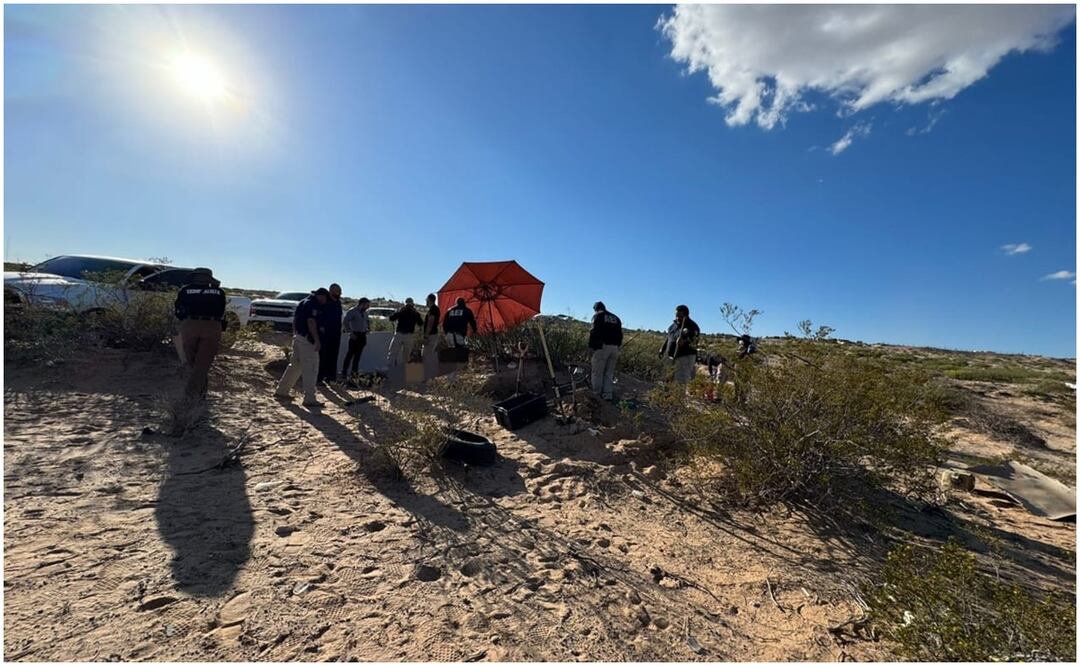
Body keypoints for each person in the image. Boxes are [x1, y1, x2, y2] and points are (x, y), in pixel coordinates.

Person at [174, 267, 227, 399]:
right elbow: (221, 310)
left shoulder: (185, 290)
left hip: (190, 325)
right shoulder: (219, 292)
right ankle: (198, 394)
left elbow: (178, 310)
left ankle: (191, 396)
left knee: (191, 362)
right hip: (212, 326)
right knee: (203, 363)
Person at [275, 288, 329, 407]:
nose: (325, 301)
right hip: (307, 341)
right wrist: (316, 340)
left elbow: (295, 320)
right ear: (322, 296)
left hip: (299, 337)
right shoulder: (313, 304)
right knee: (311, 369)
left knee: (295, 366)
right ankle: (309, 398)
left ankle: (282, 390)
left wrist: (295, 334)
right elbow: (311, 322)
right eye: (325, 298)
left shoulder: (303, 302)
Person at [588, 301, 623, 400]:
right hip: (615, 348)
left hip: (602, 347)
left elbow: (593, 332)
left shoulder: (597, 316)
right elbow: (620, 335)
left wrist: (591, 347)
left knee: (597, 372)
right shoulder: (616, 318)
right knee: (609, 373)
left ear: (596, 309)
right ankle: (607, 394)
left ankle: (597, 394)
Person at [659, 304, 701, 384]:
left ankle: (678, 396)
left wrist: (684, 342)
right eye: (676, 315)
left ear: (686, 315)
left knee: (680, 380)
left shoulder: (693, 326)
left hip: (685, 357)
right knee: (667, 378)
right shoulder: (673, 326)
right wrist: (662, 349)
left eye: (680, 316)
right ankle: (667, 396)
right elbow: (669, 338)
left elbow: (694, 341)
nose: (677, 318)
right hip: (671, 356)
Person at [386, 298, 424, 371]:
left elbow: (391, 318)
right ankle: (404, 370)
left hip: (399, 334)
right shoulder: (415, 313)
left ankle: (390, 369)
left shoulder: (401, 311)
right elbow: (420, 323)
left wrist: (399, 311)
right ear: (412, 304)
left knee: (393, 353)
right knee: (406, 355)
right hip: (409, 335)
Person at [317, 283, 344, 384]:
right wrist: (321, 327)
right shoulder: (325, 302)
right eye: (338, 291)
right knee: (323, 355)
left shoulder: (338, 303)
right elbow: (319, 316)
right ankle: (319, 378)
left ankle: (331, 378)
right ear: (331, 291)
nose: (340, 293)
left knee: (333, 356)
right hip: (325, 334)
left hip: (336, 333)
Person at [341, 297, 371, 382]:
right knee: (350, 355)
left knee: (358, 356)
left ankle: (354, 374)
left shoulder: (365, 313)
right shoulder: (352, 311)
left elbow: (367, 321)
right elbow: (345, 322)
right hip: (355, 335)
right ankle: (344, 373)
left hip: (362, 335)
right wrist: (350, 332)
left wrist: (368, 328)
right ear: (362, 304)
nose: (368, 307)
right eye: (367, 305)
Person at [442, 297, 478, 363]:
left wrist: (446, 333)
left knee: (452, 350)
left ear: (456, 303)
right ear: (464, 303)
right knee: (461, 351)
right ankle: (460, 368)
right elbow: (472, 322)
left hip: (449, 334)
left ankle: (451, 367)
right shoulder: (467, 310)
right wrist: (475, 330)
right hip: (459, 334)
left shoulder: (449, 310)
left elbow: (444, 323)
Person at [421, 293, 441, 380]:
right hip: (433, 334)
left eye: (426, 300)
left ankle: (427, 376)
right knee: (430, 355)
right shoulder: (433, 309)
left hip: (431, 335)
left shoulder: (433, 309)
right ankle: (431, 375)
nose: (426, 301)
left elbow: (430, 322)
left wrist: (426, 335)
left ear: (430, 300)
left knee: (426, 355)